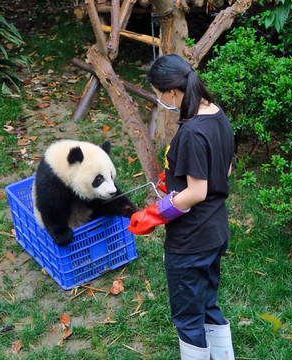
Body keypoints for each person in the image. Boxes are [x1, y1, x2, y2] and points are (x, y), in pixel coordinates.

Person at [127, 54, 235, 360]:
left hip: (191, 241)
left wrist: (155, 212)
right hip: (216, 232)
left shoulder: (190, 132)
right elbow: (224, 170)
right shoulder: (217, 114)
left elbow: (197, 191)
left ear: (172, 92)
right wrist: (176, 177)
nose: (159, 100)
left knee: (187, 317)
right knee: (207, 303)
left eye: (158, 93)